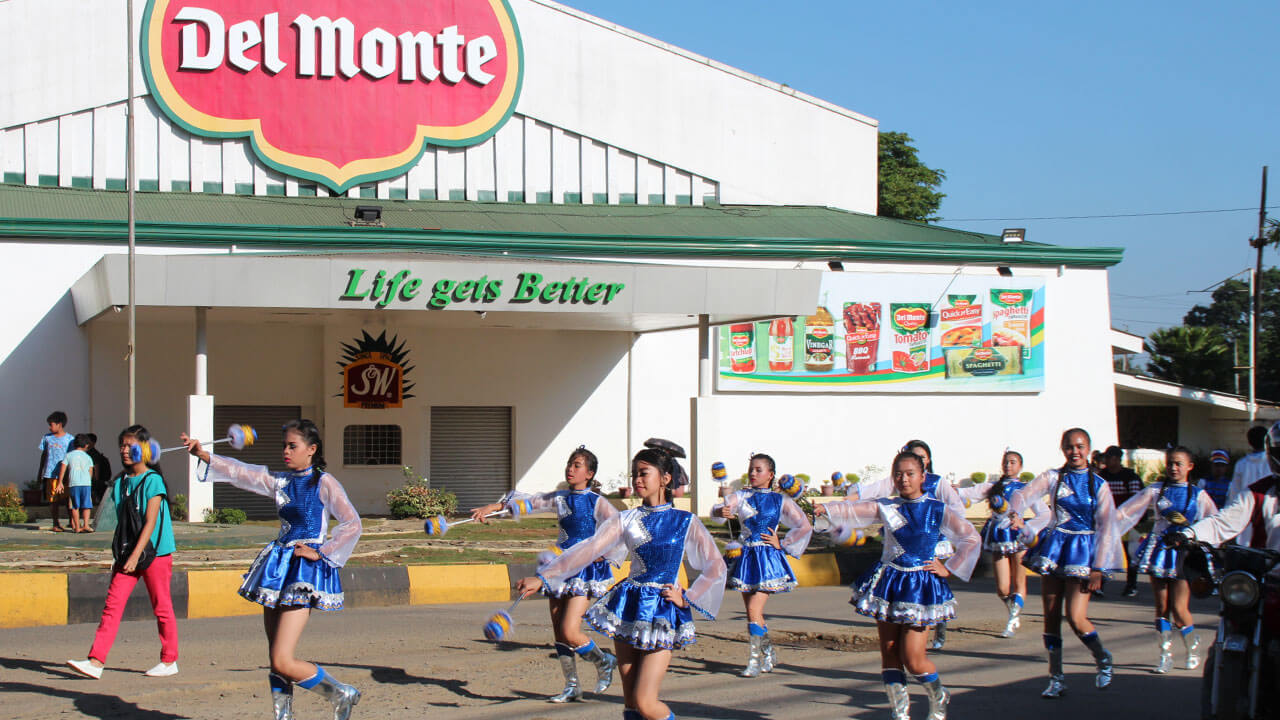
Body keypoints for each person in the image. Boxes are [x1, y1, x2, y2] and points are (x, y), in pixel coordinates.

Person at [516, 446, 727, 720]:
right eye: (634, 474)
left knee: (645, 702)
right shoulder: (626, 519)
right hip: (628, 606)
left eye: (644, 473)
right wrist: (544, 577)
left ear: (665, 478)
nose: (637, 480)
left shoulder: (685, 521)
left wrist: (688, 597)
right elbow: (589, 549)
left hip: (662, 611)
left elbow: (715, 565)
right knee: (630, 705)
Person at [180, 419, 363, 720]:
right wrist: (204, 455)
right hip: (277, 567)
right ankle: (283, 716)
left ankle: (340, 693)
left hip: (302, 572)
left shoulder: (324, 482)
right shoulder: (281, 481)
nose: (286, 452)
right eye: (284, 446)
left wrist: (322, 552)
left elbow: (352, 523)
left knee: (282, 660)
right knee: (275, 657)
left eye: (293, 446)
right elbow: (241, 472)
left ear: (312, 449)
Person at [815, 450, 980, 720]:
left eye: (910, 474)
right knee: (890, 652)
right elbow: (855, 510)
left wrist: (949, 567)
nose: (904, 479)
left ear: (923, 477)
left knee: (913, 658)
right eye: (898, 474)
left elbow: (970, 537)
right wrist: (827, 509)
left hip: (921, 587)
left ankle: (938, 694)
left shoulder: (937, 509)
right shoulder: (887, 506)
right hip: (889, 582)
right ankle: (900, 713)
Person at [469, 446, 624, 703]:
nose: (570, 469)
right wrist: (492, 507)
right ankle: (571, 685)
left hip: (583, 570)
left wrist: (602, 553)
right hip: (558, 566)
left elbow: (618, 529)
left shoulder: (597, 502)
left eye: (577, 465)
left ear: (589, 473)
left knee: (570, 630)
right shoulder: (560, 498)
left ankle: (603, 660)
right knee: (559, 631)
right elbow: (530, 503)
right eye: (569, 464)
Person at [1008, 428, 1125, 698]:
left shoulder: (1099, 484)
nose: (1075, 452)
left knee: (1075, 616)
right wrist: (1015, 513)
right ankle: (1056, 678)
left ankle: (1102, 657)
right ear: (1062, 449)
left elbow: (1107, 527)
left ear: (1089, 449)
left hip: (1083, 553)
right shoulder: (1053, 477)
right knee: (1050, 616)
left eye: (1080, 446)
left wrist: (1099, 567)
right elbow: (1022, 495)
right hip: (1055, 547)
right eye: (1070, 446)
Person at [67, 425, 179, 679]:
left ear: (145, 449)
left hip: (155, 553)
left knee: (162, 606)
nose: (124, 450)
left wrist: (136, 556)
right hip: (128, 554)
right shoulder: (120, 483)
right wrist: (123, 554)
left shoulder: (153, 481)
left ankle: (169, 660)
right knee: (112, 606)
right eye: (122, 445)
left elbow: (150, 522)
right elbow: (124, 523)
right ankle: (95, 661)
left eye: (131, 446)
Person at [852, 440, 965, 650]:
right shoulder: (899, 484)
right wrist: (848, 499)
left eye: (921, 457)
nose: (905, 477)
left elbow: (958, 512)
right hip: (903, 537)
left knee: (929, 583)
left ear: (927, 461)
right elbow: (874, 492)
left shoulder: (937, 483)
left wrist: (940, 527)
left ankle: (937, 621)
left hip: (930, 540)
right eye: (913, 456)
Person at [1114, 446, 1217, 673]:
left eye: (1178, 463)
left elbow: (1213, 521)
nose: (1173, 467)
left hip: (1184, 553)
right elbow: (1126, 511)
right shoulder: (1156, 490)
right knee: (1161, 607)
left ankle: (1192, 647)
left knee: (1179, 609)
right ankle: (1165, 655)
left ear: (1189, 466)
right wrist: (1105, 520)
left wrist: (1197, 539)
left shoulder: (1198, 494)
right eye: (1170, 463)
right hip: (1160, 551)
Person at [710, 453, 813, 677]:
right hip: (745, 558)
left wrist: (783, 543)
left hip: (767, 560)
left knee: (753, 610)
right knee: (753, 613)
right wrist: (720, 511)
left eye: (758, 470)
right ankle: (768, 654)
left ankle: (755, 660)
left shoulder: (780, 500)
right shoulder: (742, 496)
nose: (753, 474)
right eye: (751, 470)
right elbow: (720, 509)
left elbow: (804, 525)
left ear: (770, 474)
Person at [970, 450, 1049, 638]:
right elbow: (971, 494)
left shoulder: (1026, 488)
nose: (1008, 465)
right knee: (1002, 589)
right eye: (1006, 462)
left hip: (1017, 536)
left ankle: (1013, 619)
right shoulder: (993, 487)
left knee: (1019, 582)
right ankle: (1013, 611)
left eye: (1013, 462)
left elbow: (1044, 513)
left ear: (1020, 466)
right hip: (999, 537)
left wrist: (1027, 527)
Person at [1097, 446, 1143, 596]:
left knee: (1129, 554)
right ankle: (1099, 585)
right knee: (1103, 552)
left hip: (1126, 523)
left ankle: (1131, 585)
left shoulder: (1130, 476)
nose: (1105, 461)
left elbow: (1136, 500)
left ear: (1117, 459)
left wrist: (1125, 517)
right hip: (1106, 522)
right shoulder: (1102, 476)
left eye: (1108, 457)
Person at [37, 410, 74, 532]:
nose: (49, 427)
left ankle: (72, 521)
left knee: (68, 499)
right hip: (51, 474)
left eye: (51, 424)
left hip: (66, 475)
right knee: (53, 500)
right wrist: (40, 472)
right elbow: (44, 455)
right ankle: (55, 522)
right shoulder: (47, 438)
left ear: (60, 424)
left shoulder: (70, 439)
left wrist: (70, 473)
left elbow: (72, 457)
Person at [63, 434, 96, 533]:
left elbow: (63, 468)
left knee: (74, 506)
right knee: (87, 505)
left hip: (74, 483)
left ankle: (77, 527)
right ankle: (86, 525)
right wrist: (89, 480)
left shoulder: (69, 455)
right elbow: (91, 470)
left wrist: (60, 481)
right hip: (86, 483)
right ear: (86, 445)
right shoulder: (88, 457)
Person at [87, 433, 112, 508]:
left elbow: (96, 467)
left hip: (94, 480)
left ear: (93, 442)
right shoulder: (90, 453)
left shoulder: (93, 453)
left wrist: (95, 480)